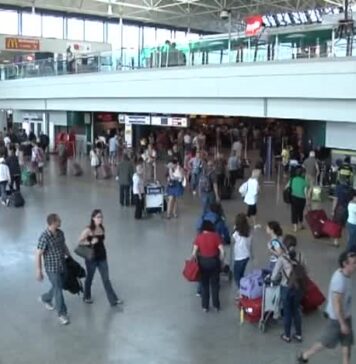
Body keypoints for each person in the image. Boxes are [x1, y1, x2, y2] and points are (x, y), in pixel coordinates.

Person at [297, 250, 356, 364]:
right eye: (353, 263)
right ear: (345, 264)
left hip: (346, 316)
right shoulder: (339, 280)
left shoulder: (346, 275)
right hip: (337, 319)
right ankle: (305, 355)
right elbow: (336, 304)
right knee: (325, 342)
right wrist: (342, 323)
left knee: (347, 344)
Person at [78, 209, 122, 306]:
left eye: (101, 217)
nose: (100, 219)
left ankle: (113, 300)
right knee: (90, 277)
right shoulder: (88, 230)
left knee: (106, 279)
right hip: (91, 258)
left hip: (102, 257)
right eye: (98, 217)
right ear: (93, 218)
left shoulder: (102, 228)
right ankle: (86, 296)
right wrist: (90, 242)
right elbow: (80, 242)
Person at [36, 214, 71, 325]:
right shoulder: (44, 237)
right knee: (58, 289)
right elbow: (38, 254)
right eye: (58, 220)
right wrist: (39, 270)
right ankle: (62, 313)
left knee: (59, 286)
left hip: (62, 265)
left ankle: (45, 298)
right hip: (52, 268)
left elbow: (63, 246)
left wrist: (69, 257)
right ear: (53, 222)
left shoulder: (60, 233)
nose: (61, 221)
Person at [272, 244, 307, 344]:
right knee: (296, 310)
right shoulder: (300, 256)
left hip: (286, 287)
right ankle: (298, 334)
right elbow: (305, 270)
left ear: (285, 247)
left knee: (287, 312)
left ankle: (287, 336)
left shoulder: (282, 259)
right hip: (298, 288)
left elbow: (274, 276)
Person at [192, 220, 224, 312]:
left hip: (202, 263)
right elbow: (222, 251)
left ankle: (205, 307)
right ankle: (216, 305)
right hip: (214, 262)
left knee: (204, 285)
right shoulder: (216, 236)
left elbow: (193, 253)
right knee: (215, 285)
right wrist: (221, 261)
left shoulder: (199, 237)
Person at [233, 213, 253, 297]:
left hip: (239, 257)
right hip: (246, 255)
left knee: (237, 276)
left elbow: (232, 239)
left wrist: (234, 229)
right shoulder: (249, 231)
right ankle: (242, 288)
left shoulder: (236, 233)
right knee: (241, 274)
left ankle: (241, 290)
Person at [288, 167, 308, 233]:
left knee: (294, 212)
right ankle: (301, 225)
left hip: (293, 197)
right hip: (302, 199)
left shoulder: (292, 179)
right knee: (300, 212)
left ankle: (295, 228)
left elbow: (287, 186)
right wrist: (308, 201)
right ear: (302, 174)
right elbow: (305, 192)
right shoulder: (304, 181)